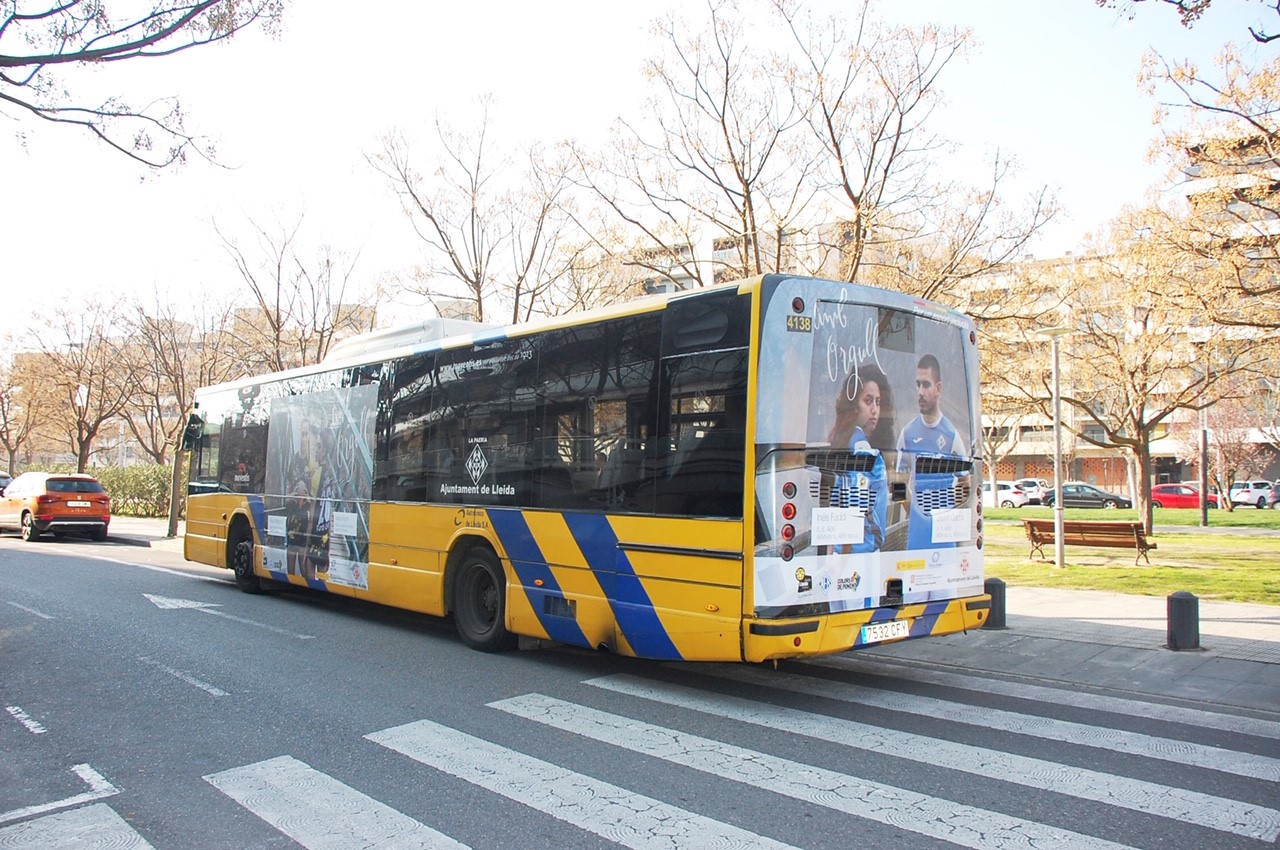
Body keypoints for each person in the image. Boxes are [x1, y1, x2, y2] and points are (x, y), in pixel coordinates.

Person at [896, 354, 968, 551]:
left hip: (944, 537)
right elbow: (897, 482)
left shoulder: (951, 435)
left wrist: (948, 514)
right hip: (917, 535)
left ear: (938, 389)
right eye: (918, 385)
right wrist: (913, 512)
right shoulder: (908, 433)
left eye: (926, 385)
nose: (920, 391)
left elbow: (965, 482)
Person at [827, 363, 893, 554]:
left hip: (847, 554)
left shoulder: (845, 445)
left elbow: (837, 506)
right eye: (868, 401)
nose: (875, 410)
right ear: (853, 405)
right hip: (859, 556)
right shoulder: (862, 451)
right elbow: (854, 513)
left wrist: (832, 555)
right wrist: (843, 563)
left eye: (878, 402)